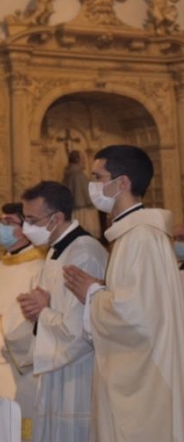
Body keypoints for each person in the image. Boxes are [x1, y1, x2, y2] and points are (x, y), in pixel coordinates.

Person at [63, 145, 184, 442]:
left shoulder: (142, 237)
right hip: (139, 372)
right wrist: (100, 291)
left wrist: (93, 293)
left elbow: (136, 317)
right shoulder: (131, 235)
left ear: (123, 182)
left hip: (146, 382)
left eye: (98, 176)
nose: (92, 185)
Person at [17, 181, 107, 442]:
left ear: (56, 218)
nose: (26, 227)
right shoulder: (57, 250)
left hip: (79, 373)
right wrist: (38, 308)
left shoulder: (85, 253)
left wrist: (42, 312)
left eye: (32, 219)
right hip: (57, 370)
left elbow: (80, 330)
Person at [0, 202, 46, 439]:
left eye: (8, 222)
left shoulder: (40, 267)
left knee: (22, 427)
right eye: (0, 221)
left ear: (25, 228)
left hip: (22, 370)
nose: (1, 227)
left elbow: (31, 320)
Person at [62, 149, 100, 238]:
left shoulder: (68, 175)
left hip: (74, 212)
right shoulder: (78, 176)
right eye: (82, 158)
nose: (85, 161)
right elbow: (88, 196)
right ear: (77, 160)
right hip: (83, 212)